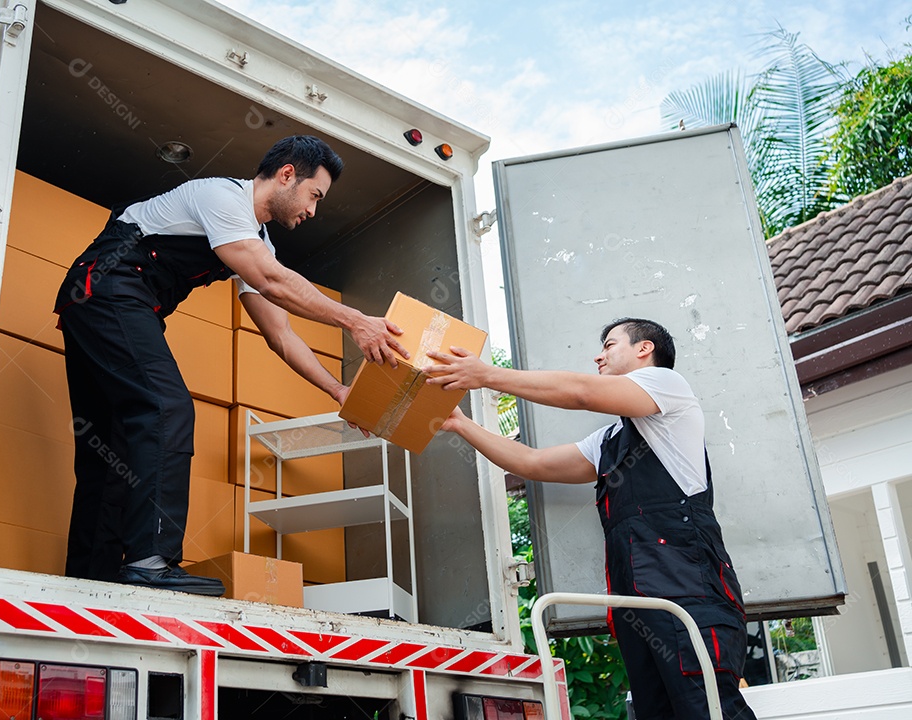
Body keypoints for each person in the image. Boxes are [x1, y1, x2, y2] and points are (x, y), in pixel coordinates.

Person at [53, 135, 406, 594]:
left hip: (103, 305)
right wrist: (355, 321)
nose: (313, 211)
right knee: (166, 408)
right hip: (106, 290)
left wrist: (338, 392)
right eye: (314, 195)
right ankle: (149, 561)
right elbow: (271, 280)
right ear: (286, 175)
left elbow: (280, 334)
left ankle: (90, 579)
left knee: (113, 445)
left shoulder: (254, 240)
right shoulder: (220, 197)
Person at [425, 318, 756, 720]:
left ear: (644, 349)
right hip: (638, 607)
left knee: (709, 710)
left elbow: (581, 393)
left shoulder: (669, 386)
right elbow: (532, 462)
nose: (598, 355)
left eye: (609, 344)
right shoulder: (609, 441)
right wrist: (461, 424)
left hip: (690, 597)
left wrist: (486, 375)